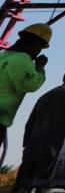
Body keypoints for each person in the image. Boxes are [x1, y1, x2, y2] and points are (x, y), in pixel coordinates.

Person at [15, 60, 65, 190]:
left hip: (32, 148)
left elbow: (29, 123)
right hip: (53, 150)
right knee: (45, 187)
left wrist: (27, 146)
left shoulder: (46, 95)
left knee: (21, 186)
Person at [0, 24, 51, 165]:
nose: (38, 52)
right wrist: (40, 67)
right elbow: (30, 85)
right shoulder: (22, 59)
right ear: (34, 45)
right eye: (39, 48)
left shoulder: (3, 55)